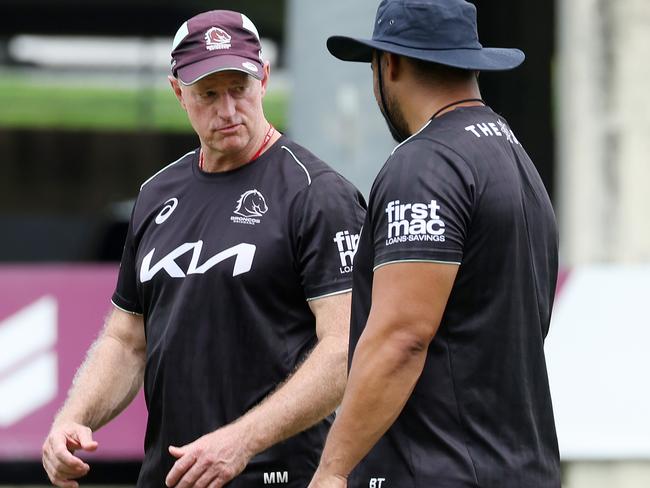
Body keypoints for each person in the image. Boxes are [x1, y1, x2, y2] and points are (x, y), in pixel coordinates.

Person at [42, 9, 366, 488]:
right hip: (169, 477)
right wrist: (73, 418)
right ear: (178, 92)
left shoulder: (317, 193)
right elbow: (127, 340)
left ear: (264, 79)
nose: (228, 110)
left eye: (240, 89)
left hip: (277, 476)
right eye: (208, 95)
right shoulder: (155, 195)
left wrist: (241, 441)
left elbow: (345, 347)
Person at [308, 1, 560, 487]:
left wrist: (332, 470)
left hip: (441, 472)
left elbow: (402, 338)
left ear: (391, 64)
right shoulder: (513, 156)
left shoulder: (424, 164)